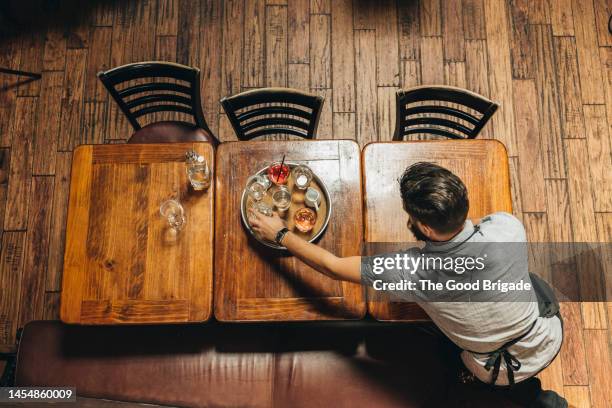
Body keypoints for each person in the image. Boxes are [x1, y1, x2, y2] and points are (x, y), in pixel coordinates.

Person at [249, 162, 566, 408]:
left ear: (425, 227)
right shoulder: (509, 228)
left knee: (447, 349)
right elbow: (482, 228)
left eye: (412, 217)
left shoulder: (413, 271)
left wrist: (279, 233)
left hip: (496, 369)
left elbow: (331, 267)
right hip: (548, 336)